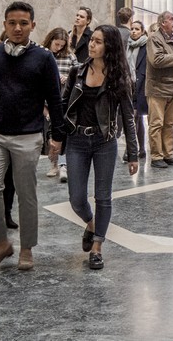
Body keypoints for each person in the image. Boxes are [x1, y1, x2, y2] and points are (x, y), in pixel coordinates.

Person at [0, 0, 65, 274]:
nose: (18, 28)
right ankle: (0, 243)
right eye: (12, 23)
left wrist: (57, 135)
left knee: (26, 194)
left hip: (28, 136)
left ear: (32, 25)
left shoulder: (44, 58)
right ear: (4, 25)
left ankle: (26, 248)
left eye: (23, 23)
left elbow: (55, 100)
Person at [59, 23, 139, 271]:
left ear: (110, 47)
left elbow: (128, 116)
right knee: (77, 199)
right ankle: (92, 224)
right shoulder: (77, 72)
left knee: (103, 196)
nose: (92, 45)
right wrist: (56, 139)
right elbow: (63, 106)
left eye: (98, 41)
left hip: (105, 142)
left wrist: (134, 153)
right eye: (91, 40)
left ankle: (97, 247)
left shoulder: (118, 78)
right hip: (77, 141)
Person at [145, 9, 173, 168]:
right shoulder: (154, 39)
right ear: (163, 22)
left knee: (169, 123)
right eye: (171, 19)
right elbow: (156, 59)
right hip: (158, 88)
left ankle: (168, 154)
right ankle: (156, 156)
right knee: (156, 123)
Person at [41, 27, 77, 180]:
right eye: (56, 44)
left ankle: (63, 164)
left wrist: (65, 78)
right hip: (45, 99)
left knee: (62, 131)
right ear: (50, 40)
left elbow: (77, 75)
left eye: (62, 45)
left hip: (63, 100)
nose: (59, 48)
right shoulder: (42, 54)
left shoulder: (69, 57)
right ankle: (53, 163)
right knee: (49, 132)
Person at [125, 18, 148, 160]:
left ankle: (130, 150)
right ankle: (141, 149)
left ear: (142, 31)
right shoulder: (127, 45)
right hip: (129, 85)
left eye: (137, 29)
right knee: (136, 118)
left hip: (141, 85)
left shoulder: (146, 45)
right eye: (132, 29)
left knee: (134, 117)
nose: (133, 31)